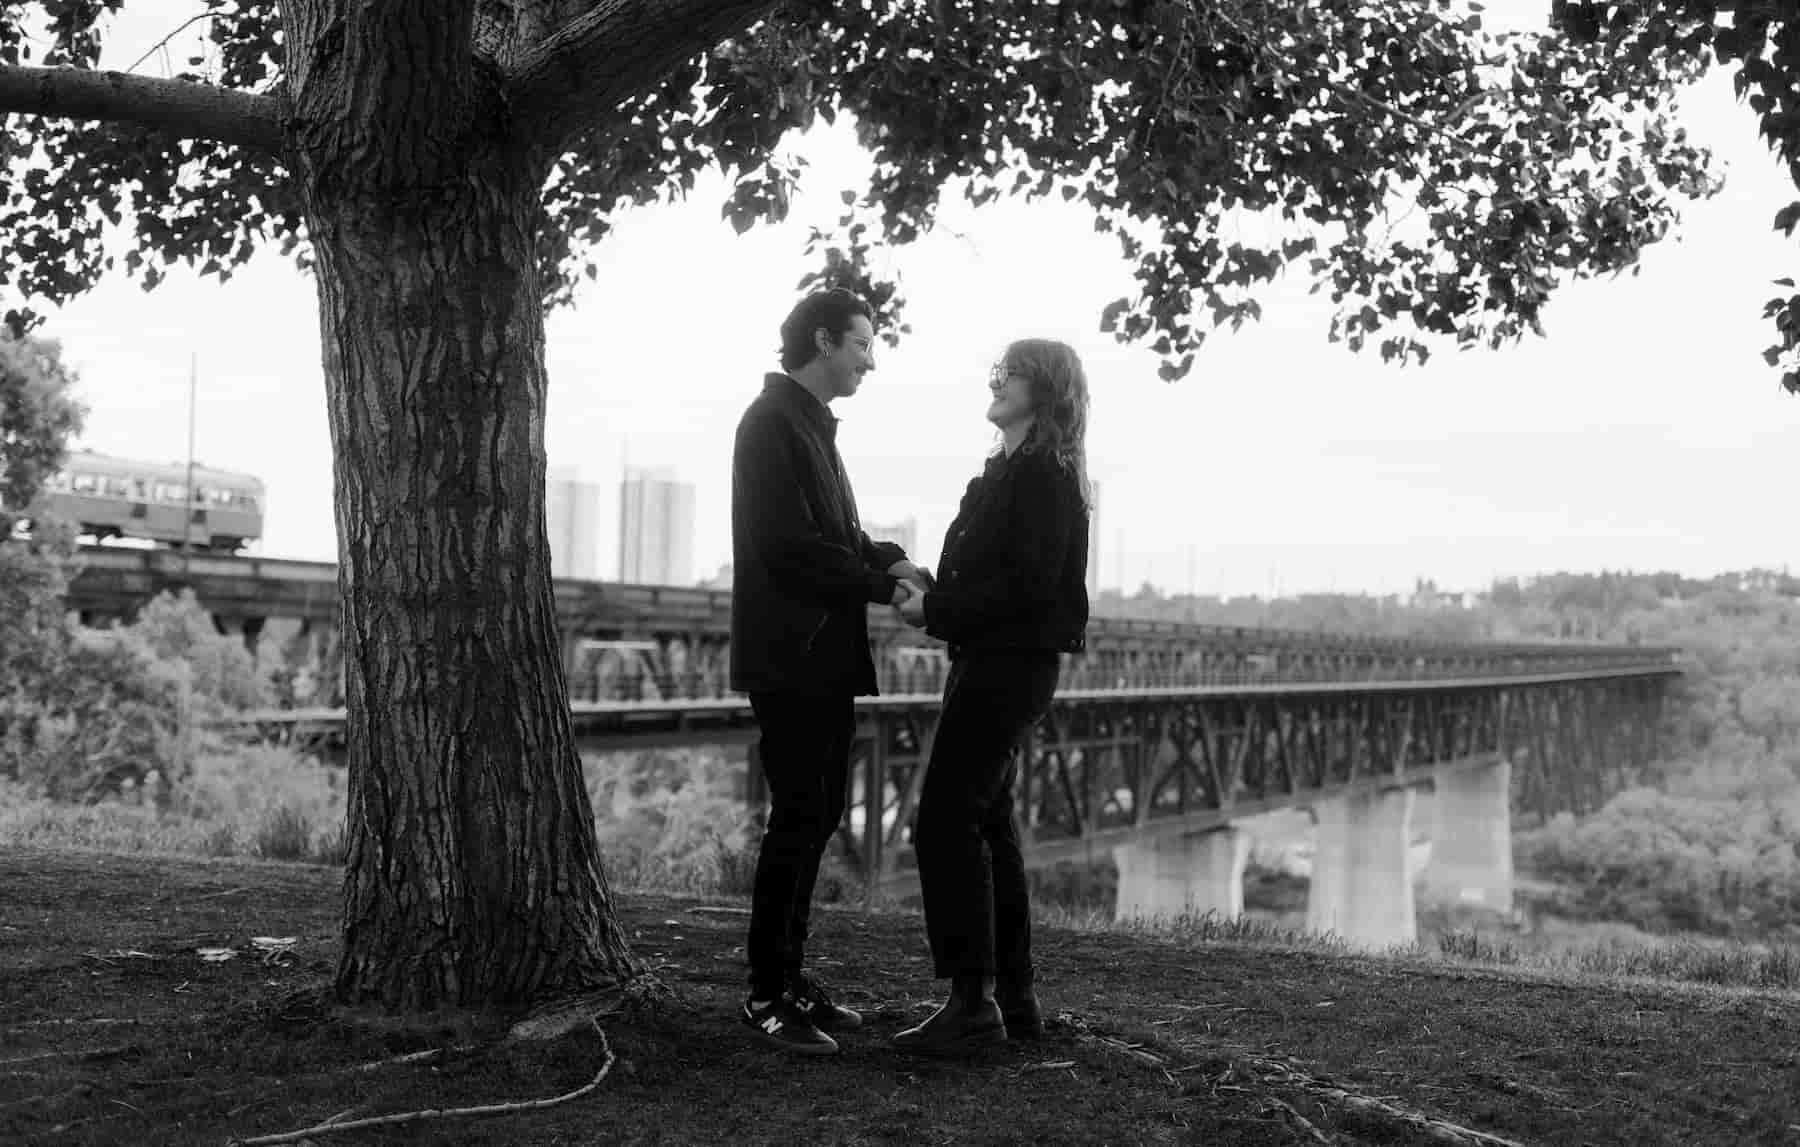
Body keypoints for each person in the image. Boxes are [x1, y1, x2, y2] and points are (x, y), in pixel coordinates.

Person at [730, 288, 927, 1057]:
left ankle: (789, 977)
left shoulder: (810, 426)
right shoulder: (770, 422)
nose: (870, 360)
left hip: (822, 656)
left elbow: (838, 535)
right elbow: (791, 547)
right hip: (792, 655)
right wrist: (883, 588)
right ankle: (764, 993)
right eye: (862, 344)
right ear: (822, 339)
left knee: (816, 817)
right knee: (798, 817)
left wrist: (892, 559)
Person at [891, 337, 1092, 1056]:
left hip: (1009, 665)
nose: (998, 381)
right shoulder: (1005, 472)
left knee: (944, 819)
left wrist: (934, 613)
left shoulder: (1042, 473)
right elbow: (991, 580)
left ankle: (971, 1002)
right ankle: (1011, 995)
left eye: (1011, 373)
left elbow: (1027, 588)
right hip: (986, 660)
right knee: (988, 822)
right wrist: (929, 591)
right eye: (996, 371)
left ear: (1046, 389)